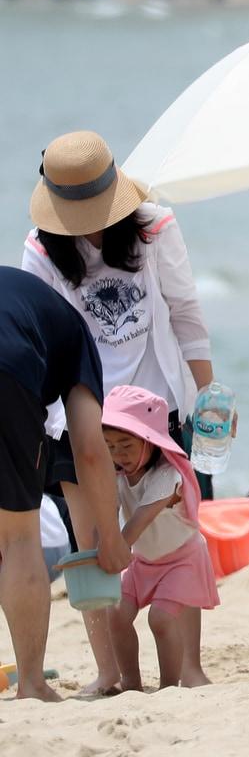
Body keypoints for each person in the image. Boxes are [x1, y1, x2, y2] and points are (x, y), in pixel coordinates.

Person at [22, 130, 214, 695]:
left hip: (154, 410)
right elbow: (42, 340)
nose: (87, 226)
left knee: (170, 530)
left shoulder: (155, 227)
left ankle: (185, 666)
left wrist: (209, 397)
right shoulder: (41, 248)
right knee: (92, 544)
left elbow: (186, 312)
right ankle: (110, 673)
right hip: (79, 413)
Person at [0, 266, 130, 701]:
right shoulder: (79, 337)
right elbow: (89, 448)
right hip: (8, 369)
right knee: (19, 538)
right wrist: (111, 537)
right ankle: (32, 684)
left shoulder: (29, 299)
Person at [102, 385, 219, 690]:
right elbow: (107, 513)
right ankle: (131, 681)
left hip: (182, 560)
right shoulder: (117, 473)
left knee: (161, 619)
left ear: (150, 440)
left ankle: (168, 686)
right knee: (116, 613)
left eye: (126, 445)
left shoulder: (168, 475)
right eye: (110, 445)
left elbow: (138, 522)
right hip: (144, 561)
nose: (118, 454)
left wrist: (109, 554)